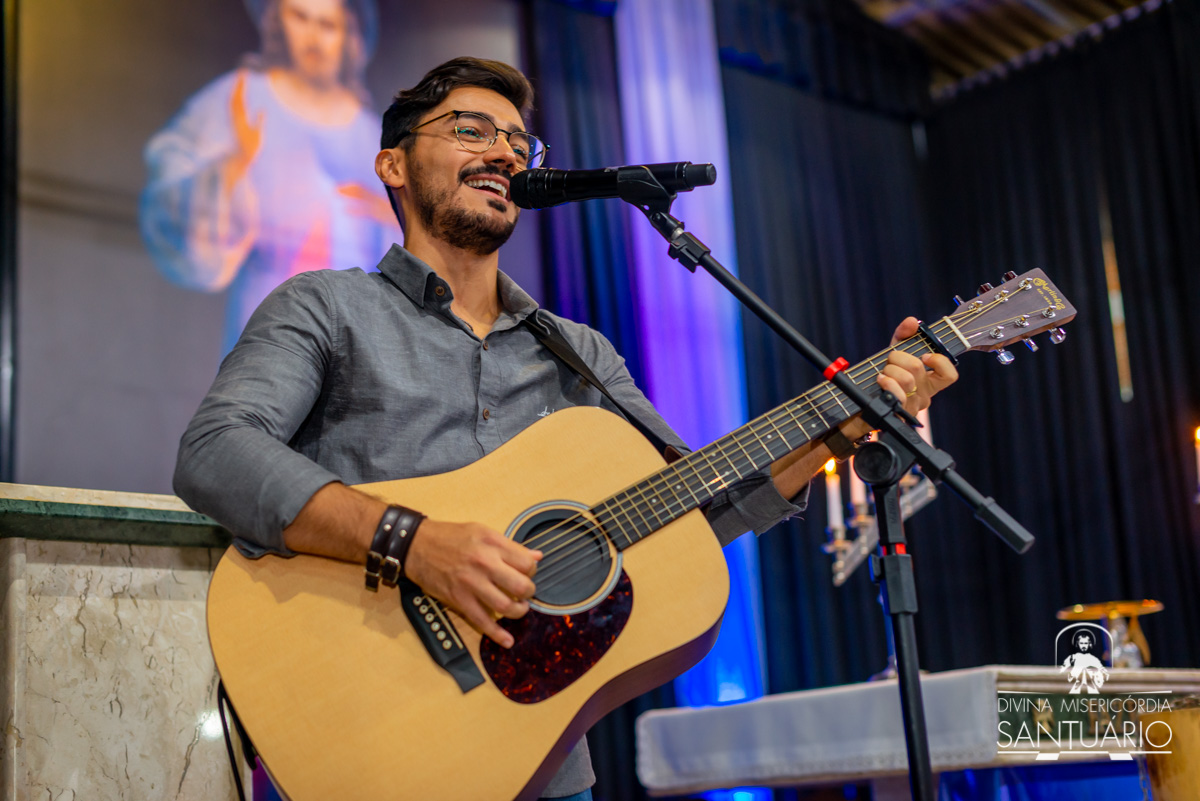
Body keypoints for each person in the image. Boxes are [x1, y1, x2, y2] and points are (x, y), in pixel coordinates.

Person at [174, 57, 959, 801]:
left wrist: (840, 427)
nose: (504, 152)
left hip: (547, 761)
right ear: (394, 165)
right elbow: (216, 450)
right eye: (471, 130)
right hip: (369, 729)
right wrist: (413, 541)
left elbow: (690, 513)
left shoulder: (579, 351)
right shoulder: (325, 307)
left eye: (520, 144)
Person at [140, 0, 400, 355]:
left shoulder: (374, 135)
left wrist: (394, 216)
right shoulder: (242, 98)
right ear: (279, 22)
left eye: (327, 25)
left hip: (352, 332)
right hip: (269, 313)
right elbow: (170, 190)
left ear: (347, 35)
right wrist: (230, 170)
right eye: (300, 18)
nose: (314, 37)